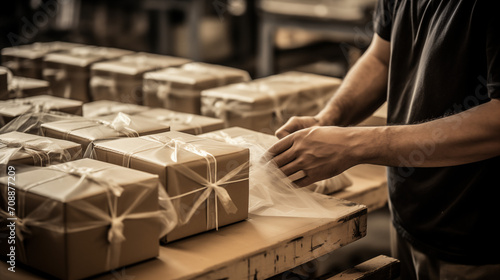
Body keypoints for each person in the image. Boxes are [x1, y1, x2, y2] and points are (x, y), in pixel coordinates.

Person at [268, 0, 500, 279]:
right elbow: (381, 57)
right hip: (411, 213)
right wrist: (328, 119)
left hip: (477, 238)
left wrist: (353, 145)